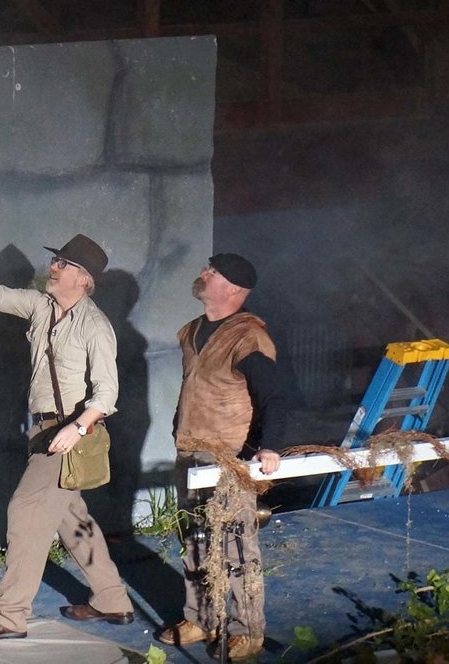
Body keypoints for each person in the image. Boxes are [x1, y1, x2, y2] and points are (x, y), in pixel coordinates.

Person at [0, 234, 134, 640]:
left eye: (63, 264)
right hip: (43, 430)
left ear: (84, 279)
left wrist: (76, 428)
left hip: (69, 436)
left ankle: (9, 615)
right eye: (56, 261)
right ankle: (112, 599)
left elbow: (107, 395)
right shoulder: (40, 306)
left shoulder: (95, 327)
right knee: (72, 518)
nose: (53, 267)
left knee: (25, 512)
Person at [157, 253, 285, 661]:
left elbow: (275, 397)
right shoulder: (192, 331)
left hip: (228, 457)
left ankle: (247, 630)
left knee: (235, 545)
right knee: (195, 540)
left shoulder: (247, 337)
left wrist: (269, 446)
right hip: (190, 450)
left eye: (210, 272)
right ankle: (202, 618)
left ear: (231, 288)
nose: (202, 274)